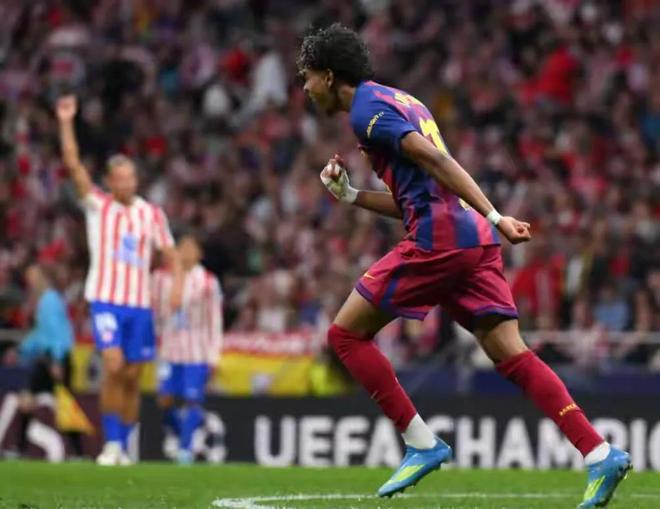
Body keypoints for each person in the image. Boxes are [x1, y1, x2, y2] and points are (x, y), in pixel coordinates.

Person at [297, 24, 631, 508]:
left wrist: (498, 215)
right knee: (512, 354)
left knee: (345, 335)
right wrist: (350, 196)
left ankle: (420, 442)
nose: (305, 88)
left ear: (329, 75)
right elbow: (416, 196)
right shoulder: (400, 99)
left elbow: (435, 161)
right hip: (470, 239)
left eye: (307, 77)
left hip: (440, 241)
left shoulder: (367, 112)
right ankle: (599, 452)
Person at [55, 95, 183, 466]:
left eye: (131, 178)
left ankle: (123, 446)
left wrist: (176, 285)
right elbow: (73, 164)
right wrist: (66, 122)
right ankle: (111, 443)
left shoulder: (151, 214)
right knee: (112, 365)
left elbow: (170, 253)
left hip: (139, 304)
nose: (127, 184)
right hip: (106, 299)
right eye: (121, 179)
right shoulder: (99, 206)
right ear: (110, 182)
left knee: (131, 376)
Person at [152, 233, 223, 464]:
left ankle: (185, 450)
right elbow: (156, 314)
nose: (185, 251)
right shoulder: (161, 279)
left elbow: (215, 320)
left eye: (191, 247)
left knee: (192, 400)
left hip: (197, 351)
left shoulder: (208, 281)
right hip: (169, 350)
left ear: (199, 254)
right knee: (164, 400)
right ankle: (184, 431)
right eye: (181, 246)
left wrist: (213, 355)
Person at [17, 264, 76, 455]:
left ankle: (20, 447)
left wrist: (57, 360)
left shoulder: (49, 300)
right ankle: (21, 446)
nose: (31, 282)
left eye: (34, 277)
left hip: (54, 359)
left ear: (43, 278)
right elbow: (42, 333)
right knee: (56, 402)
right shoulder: (46, 300)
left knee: (63, 403)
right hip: (48, 359)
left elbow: (57, 333)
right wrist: (26, 348)